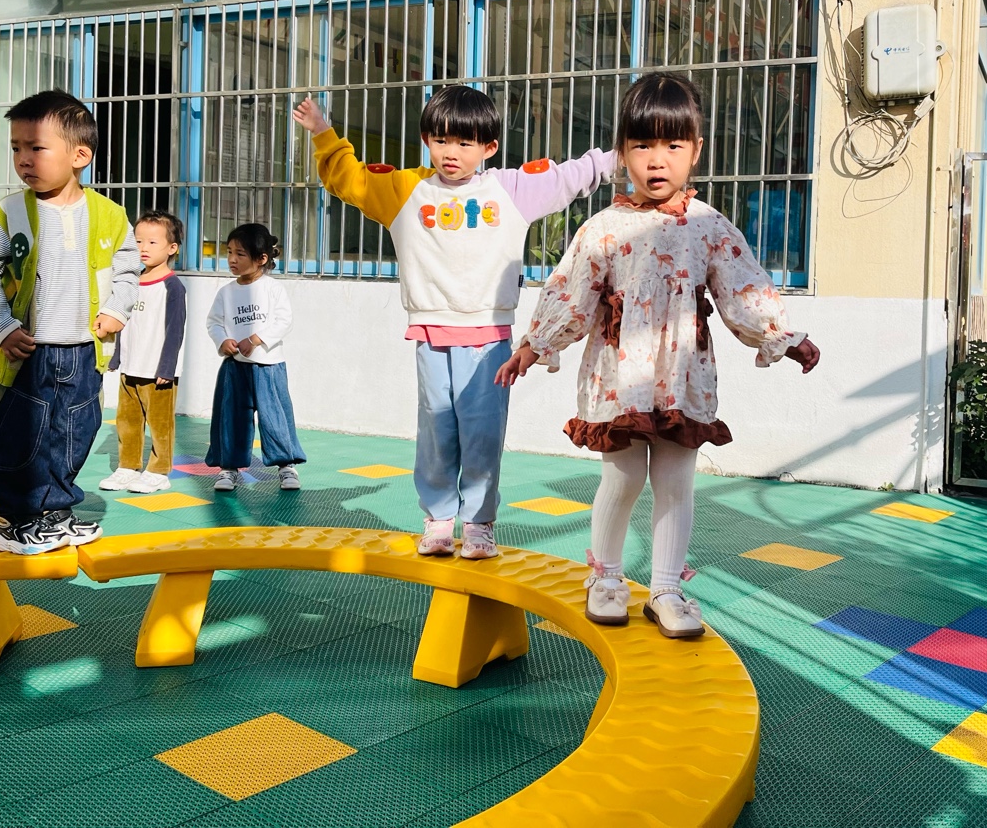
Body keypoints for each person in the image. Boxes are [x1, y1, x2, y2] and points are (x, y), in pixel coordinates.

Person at [496, 73, 820, 638]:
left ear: (695, 151)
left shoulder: (709, 225)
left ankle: (666, 588)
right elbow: (571, 292)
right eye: (642, 144)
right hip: (618, 377)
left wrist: (781, 335)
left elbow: (742, 286)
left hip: (681, 376)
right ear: (622, 153)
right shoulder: (603, 228)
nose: (656, 159)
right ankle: (606, 577)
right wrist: (535, 344)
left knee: (675, 481)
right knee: (622, 478)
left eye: (672, 144)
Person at [293, 86, 615, 560]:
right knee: (437, 430)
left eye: (465, 143)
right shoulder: (404, 190)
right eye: (441, 140)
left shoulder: (509, 190)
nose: (451, 152)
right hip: (430, 336)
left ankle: (479, 524)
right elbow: (350, 179)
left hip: (490, 339)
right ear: (426, 139)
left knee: (482, 434)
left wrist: (623, 155)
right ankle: (439, 519)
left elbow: (571, 176)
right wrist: (324, 133)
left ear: (489, 147)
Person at [0, 90, 139, 554]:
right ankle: (11, 521)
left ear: (80, 155)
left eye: (36, 147)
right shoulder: (9, 213)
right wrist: (3, 328)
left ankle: (54, 513)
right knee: (15, 436)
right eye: (16, 147)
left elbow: (128, 271)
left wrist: (117, 309)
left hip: (83, 351)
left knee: (74, 433)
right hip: (27, 353)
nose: (24, 158)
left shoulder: (110, 215)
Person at [204, 223, 305, 491]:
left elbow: (284, 321)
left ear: (261, 259)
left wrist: (256, 339)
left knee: (276, 417)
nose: (232, 259)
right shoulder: (226, 292)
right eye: (229, 252)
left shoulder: (273, 288)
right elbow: (214, 322)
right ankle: (228, 468)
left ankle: (286, 466)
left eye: (240, 254)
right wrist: (222, 340)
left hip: (269, 367)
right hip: (235, 367)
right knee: (231, 418)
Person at [101, 210, 186, 495]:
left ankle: (159, 471)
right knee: (127, 421)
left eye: (152, 242)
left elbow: (175, 330)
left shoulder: (172, 286)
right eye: (138, 241)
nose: (143, 248)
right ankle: (128, 467)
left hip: (158, 371)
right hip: (130, 367)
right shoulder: (131, 281)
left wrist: (167, 368)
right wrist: (116, 357)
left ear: (172, 248)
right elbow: (123, 321)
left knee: (160, 425)